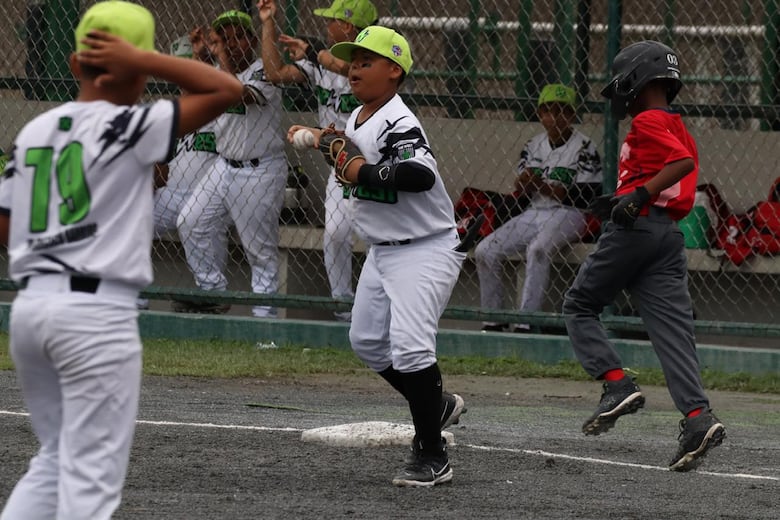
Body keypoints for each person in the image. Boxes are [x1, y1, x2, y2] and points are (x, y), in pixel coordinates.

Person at [0, 2, 242, 518]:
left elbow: (4, 222)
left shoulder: (38, 129)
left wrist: (57, 237)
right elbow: (226, 89)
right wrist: (148, 60)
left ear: (74, 64)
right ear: (137, 66)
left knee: (55, 459)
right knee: (90, 482)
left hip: (31, 308)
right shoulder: (130, 124)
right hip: (94, 315)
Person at [288, 26, 467, 488]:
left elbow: (420, 175)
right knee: (368, 341)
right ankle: (436, 405)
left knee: (411, 349)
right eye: (352, 62)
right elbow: (349, 155)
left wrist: (362, 170)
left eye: (366, 62)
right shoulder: (359, 116)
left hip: (424, 248)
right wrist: (323, 139)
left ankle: (433, 455)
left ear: (393, 70)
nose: (354, 69)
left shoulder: (398, 119)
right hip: (384, 249)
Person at [562, 40, 726, 472]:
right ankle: (698, 416)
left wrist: (638, 196)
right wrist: (622, 197)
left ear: (638, 79)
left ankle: (617, 384)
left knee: (579, 305)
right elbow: (664, 172)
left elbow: (681, 164)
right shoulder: (675, 122)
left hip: (636, 230)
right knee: (673, 332)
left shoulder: (648, 118)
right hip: (666, 236)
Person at [258, 0, 378, 322]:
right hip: (339, 166)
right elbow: (274, 73)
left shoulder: (373, 60)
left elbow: (347, 68)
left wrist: (313, 52)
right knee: (335, 235)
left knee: (378, 239)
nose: (327, 27)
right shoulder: (320, 62)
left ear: (348, 27)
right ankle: (344, 311)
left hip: (373, 167)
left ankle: (382, 309)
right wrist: (268, 23)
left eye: (332, 21)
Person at [176, 10, 287, 317]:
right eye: (224, 39)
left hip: (260, 170)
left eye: (239, 37)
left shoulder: (264, 71)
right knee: (191, 222)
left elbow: (238, 95)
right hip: (223, 167)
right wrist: (199, 57)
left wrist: (220, 56)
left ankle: (264, 325)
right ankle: (213, 294)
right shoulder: (217, 69)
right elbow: (188, 96)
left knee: (260, 253)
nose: (232, 44)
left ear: (253, 40)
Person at [475, 83, 602, 333]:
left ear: (572, 115)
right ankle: (493, 320)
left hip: (571, 214)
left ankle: (526, 322)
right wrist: (524, 184)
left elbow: (586, 195)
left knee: (538, 249)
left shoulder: (585, 147)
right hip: (534, 212)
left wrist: (543, 186)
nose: (555, 117)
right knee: (485, 250)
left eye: (563, 111)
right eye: (549, 110)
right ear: (540, 114)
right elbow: (522, 190)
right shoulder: (533, 144)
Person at [137, 25, 227, 311]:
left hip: (214, 196)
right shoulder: (168, 110)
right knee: (131, 219)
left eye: (191, 66)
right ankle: (134, 297)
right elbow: (157, 168)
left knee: (201, 222)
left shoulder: (219, 105)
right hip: (174, 195)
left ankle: (212, 296)